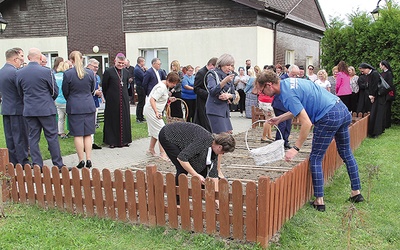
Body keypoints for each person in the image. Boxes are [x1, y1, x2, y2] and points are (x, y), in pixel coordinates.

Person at [255, 70, 363, 212]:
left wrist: (296, 148)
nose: (262, 94)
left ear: (269, 85)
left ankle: (319, 201)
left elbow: (306, 123)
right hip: (341, 110)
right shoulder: (289, 83)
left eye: (262, 91)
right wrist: (280, 118)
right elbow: (300, 108)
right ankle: (356, 192)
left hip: (328, 116)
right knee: (346, 153)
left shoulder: (287, 95)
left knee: (316, 158)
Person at [16, 48, 65, 170]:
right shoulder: (46, 72)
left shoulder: (20, 72)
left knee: (33, 137)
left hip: (30, 109)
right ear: (40, 58)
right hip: (46, 109)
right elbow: (54, 91)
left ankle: (37, 164)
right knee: (52, 136)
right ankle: (58, 164)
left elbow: (20, 92)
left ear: (28, 58)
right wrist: (48, 99)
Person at [159, 122, 235, 196]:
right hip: (167, 135)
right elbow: (181, 158)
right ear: (219, 147)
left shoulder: (212, 147)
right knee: (182, 168)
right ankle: (177, 199)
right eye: (223, 152)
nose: (222, 154)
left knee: (202, 165)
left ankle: (204, 193)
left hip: (182, 137)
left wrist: (216, 198)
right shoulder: (203, 141)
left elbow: (213, 174)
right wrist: (195, 175)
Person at [62, 51, 97, 168]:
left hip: (74, 106)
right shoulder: (90, 73)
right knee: (88, 134)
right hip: (88, 105)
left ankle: (81, 159)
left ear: (71, 60)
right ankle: (89, 159)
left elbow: (65, 91)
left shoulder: (68, 74)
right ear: (82, 59)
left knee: (78, 134)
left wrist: (72, 99)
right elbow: (92, 89)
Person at [205, 53, 236, 179]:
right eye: (228, 65)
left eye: (231, 65)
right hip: (214, 110)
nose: (230, 68)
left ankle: (217, 168)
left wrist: (229, 96)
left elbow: (234, 94)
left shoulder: (229, 76)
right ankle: (216, 170)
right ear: (221, 64)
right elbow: (212, 91)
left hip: (224, 111)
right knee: (220, 141)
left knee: (226, 137)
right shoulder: (212, 74)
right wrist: (224, 82)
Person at [0, 48, 30, 166]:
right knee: (20, 136)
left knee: (10, 137)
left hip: (6, 108)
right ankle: (23, 161)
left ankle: (12, 161)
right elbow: (21, 91)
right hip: (18, 108)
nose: (21, 61)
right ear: (15, 59)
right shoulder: (16, 73)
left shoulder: (1, 71)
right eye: (20, 58)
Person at [144, 72, 180, 160]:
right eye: (173, 83)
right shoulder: (162, 87)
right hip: (152, 111)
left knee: (155, 130)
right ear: (168, 80)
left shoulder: (165, 86)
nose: (174, 85)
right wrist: (156, 112)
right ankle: (162, 153)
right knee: (162, 131)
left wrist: (168, 99)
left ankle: (151, 149)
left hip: (153, 110)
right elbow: (152, 99)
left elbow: (161, 97)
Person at [102, 53, 132, 148]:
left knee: (125, 119)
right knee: (112, 120)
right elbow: (104, 86)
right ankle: (112, 141)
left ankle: (125, 140)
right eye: (119, 63)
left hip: (123, 99)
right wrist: (109, 97)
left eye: (123, 63)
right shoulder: (108, 71)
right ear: (115, 61)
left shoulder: (126, 72)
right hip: (112, 100)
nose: (121, 65)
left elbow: (126, 86)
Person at [359, 63, 386, 138]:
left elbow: (374, 86)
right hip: (376, 96)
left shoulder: (374, 74)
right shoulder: (372, 74)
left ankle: (376, 132)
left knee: (376, 114)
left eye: (362, 71)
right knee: (374, 113)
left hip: (378, 97)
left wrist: (372, 96)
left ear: (367, 68)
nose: (362, 73)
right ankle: (373, 131)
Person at [193, 57, 217, 132]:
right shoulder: (201, 73)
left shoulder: (212, 73)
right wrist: (208, 94)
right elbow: (196, 88)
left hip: (209, 101)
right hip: (202, 100)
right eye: (215, 67)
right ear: (210, 65)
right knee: (203, 120)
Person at [86, 58, 103, 150]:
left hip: (95, 102)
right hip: (88, 102)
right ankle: (88, 143)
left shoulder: (96, 76)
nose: (96, 68)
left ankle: (91, 142)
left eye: (97, 67)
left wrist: (99, 93)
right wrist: (94, 92)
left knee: (93, 123)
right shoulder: (86, 75)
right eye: (94, 67)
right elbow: (84, 89)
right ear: (89, 66)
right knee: (89, 123)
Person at [54, 61, 70, 139]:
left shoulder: (55, 76)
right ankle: (72, 131)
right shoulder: (66, 76)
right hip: (65, 100)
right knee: (70, 117)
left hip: (57, 100)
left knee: (60, 117)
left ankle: (61, 132)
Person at [380, 60, 394, 128]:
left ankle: (387, 124)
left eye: (380, 65)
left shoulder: (389, 74)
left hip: (387, 94)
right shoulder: (382, 73)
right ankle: (383, 123)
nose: (380, 66)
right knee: (383, 109)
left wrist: (384, 91)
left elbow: (390, 85)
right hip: (383, 93)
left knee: (387, 109)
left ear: (384, 66)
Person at [133, 56, 147, 123]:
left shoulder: (140, 68)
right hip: (140, 87)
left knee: (142, 102)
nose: (144, 63)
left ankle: (141, 116)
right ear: (141, 62)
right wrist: (145, 71)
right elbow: (144, 77)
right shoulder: (137, 69)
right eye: (144, 61)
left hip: (142, 87)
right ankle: (139, 117)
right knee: (141, 103)